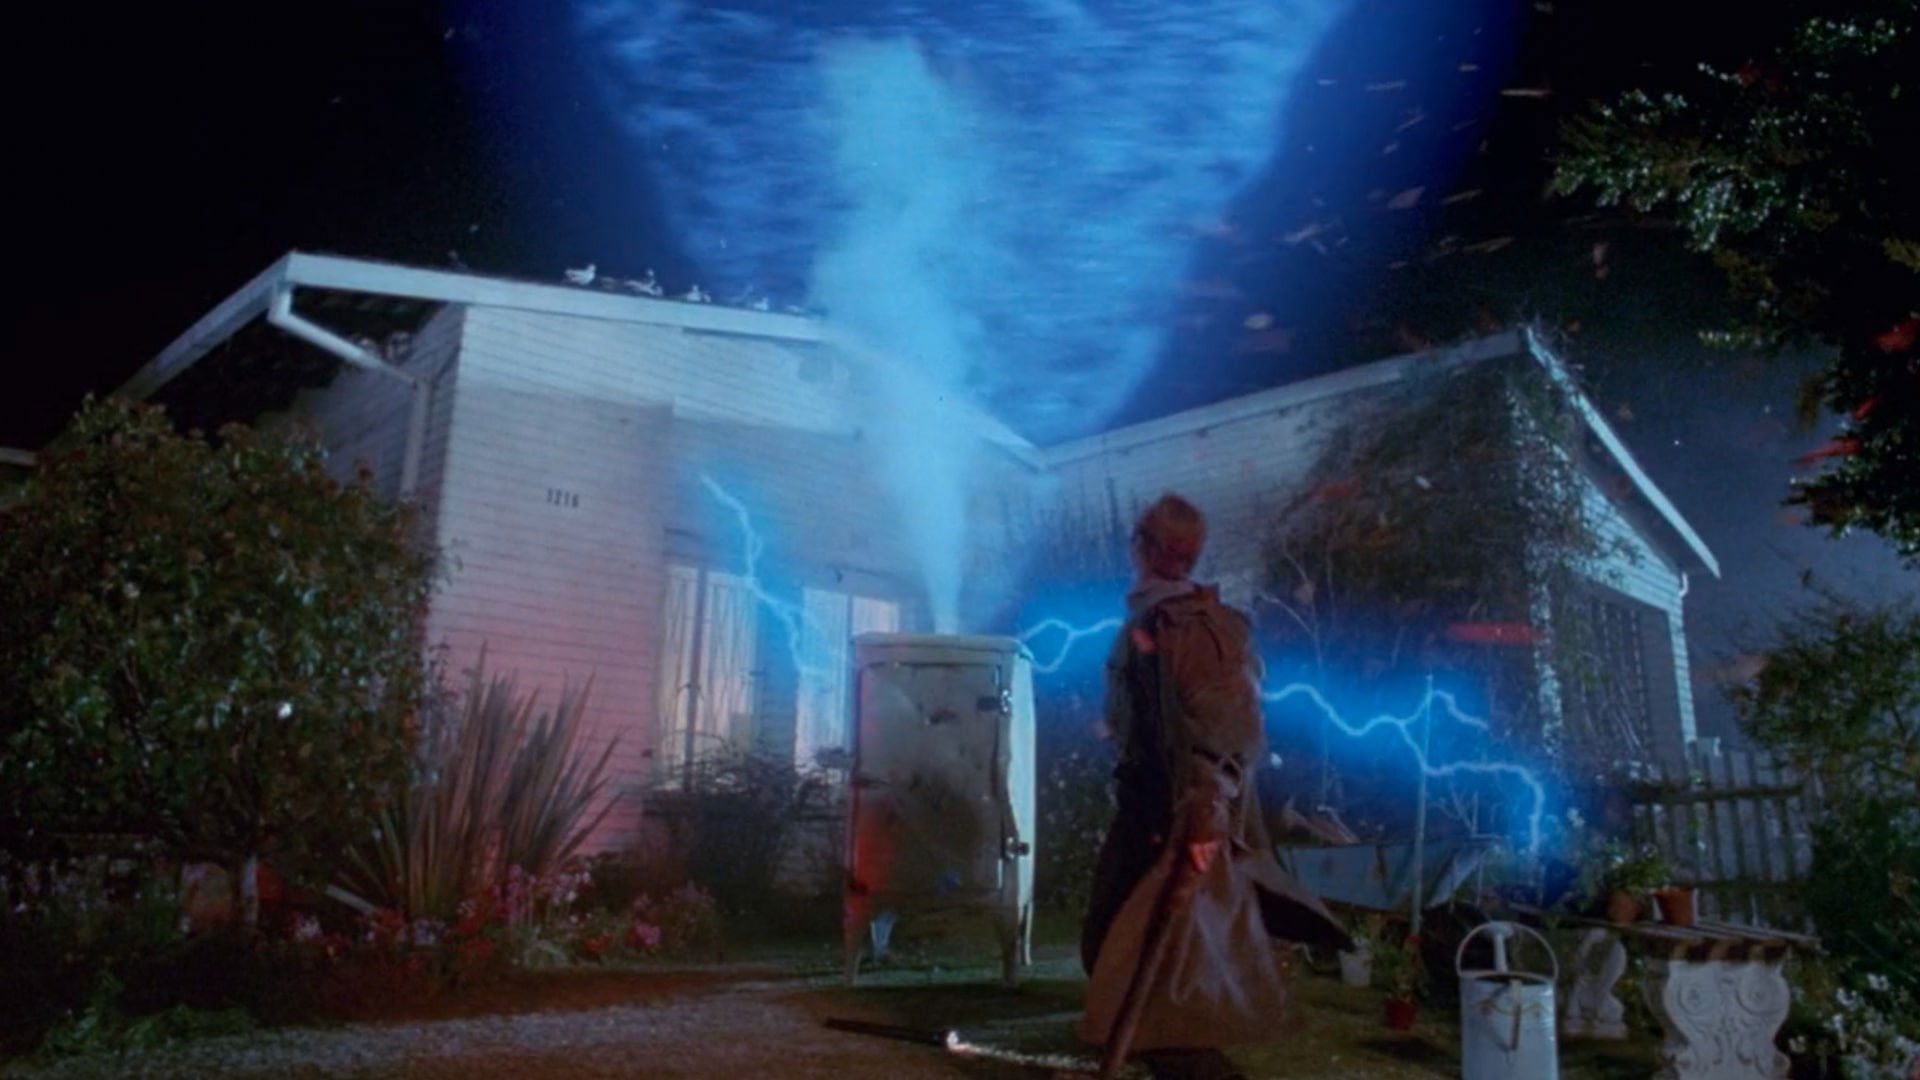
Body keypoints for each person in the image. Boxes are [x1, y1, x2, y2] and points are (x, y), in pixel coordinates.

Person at [1079, 494, 1350, 1080]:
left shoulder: (1195, 626)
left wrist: (1203, 819)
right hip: (1145, 808)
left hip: (1180, 816)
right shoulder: (1154, 619)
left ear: (1143, 547)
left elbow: (1223, 729)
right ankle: (1168, 1056)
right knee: (1115, 946)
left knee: (1159, 960)